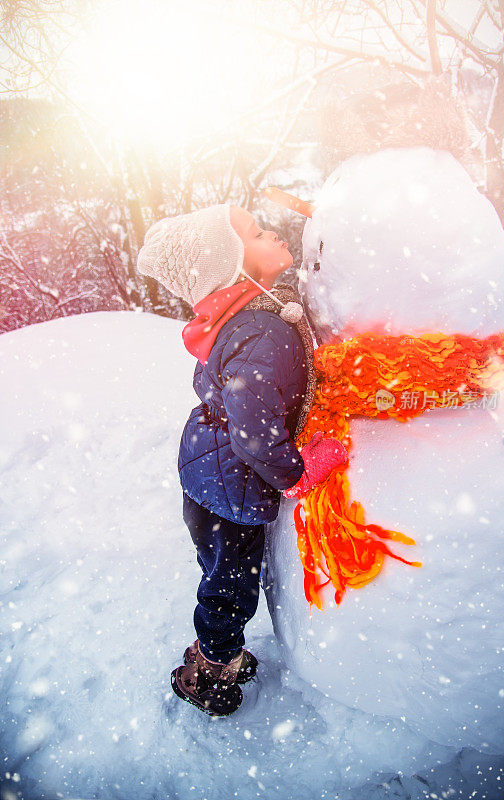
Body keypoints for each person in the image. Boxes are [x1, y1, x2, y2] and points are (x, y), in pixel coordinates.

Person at [137, 203, 345, 716]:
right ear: (232, 266)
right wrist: (296, 473)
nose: (272, 231)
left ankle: (218, 647)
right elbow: (254, 431)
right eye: (256, 232)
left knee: (221, 568)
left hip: (209, 470)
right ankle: (213, 667)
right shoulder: (261, 330)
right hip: (232, 481)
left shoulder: (251, 318)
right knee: (231, 583)